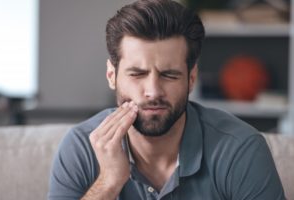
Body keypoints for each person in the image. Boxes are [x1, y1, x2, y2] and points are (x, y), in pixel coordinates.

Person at [48, 0, 285, 199]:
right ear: (112, 76)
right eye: (137, 74)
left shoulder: (240, 148)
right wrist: (109, 183)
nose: (152, 91)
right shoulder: (80, 147)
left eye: (169, 75)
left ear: (191, 79)